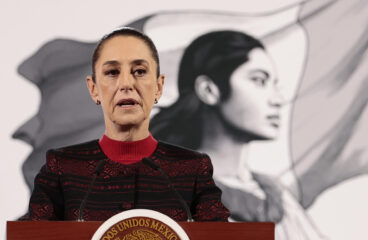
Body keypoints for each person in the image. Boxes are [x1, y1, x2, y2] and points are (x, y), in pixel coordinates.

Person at [20, 27, 229, 222]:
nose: (126, 84)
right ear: (94, 89)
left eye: (139, 71)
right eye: (112, 72)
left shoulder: (193, 169)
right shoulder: (61, 168)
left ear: (158, 87)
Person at [150, 31, 327, 239]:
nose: (277, 99)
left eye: (274, 84)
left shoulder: (276, 196)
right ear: (209, 90)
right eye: (259, 81)